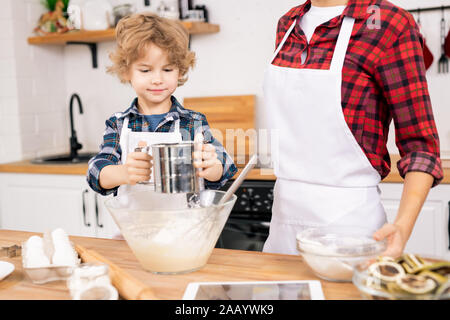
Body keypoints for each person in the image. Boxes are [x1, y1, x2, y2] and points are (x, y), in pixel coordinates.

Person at [262, 0, 443, 257]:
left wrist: (402, 227)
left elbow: (421, 148)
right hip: (282, 224)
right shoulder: (288, 23)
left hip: (351, 230)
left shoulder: (389, 23)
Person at [87, 13, 237, 202]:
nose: (157, 79)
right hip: (135, 227)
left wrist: (211, 167)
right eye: (145, 70)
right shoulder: (118, 123)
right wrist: (124, 172)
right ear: (126, 71)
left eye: (167, 69)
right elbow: (95, 172)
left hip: (184, 226)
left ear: (180, 70)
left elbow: (226, 167)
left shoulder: (192, 122)